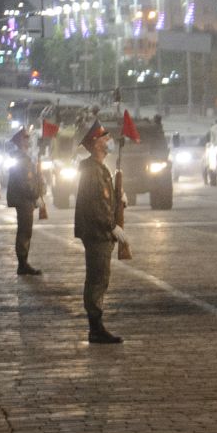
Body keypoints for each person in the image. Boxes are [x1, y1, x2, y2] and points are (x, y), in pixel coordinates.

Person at [72, 123, 126, 344]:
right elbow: (96, 205)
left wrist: (118, 196)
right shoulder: (93, 170)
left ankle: (96, 326)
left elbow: (104, 199)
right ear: (95, 144)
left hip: (98, 232)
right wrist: (112, 226)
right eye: (104, 137)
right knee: (97, 280)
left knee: (99, 279)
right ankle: (95, 328)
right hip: (97, 233)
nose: (108, 140)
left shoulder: (98, 168)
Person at [4, 127, 44, 276]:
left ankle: (23, 262)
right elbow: (26, 183)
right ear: (21, 141)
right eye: (26, 138)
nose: (29, 140)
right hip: (24, 200)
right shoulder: (22, 159)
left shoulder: (22, 157)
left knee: (25, 231)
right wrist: (36, 196)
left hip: (24, 199)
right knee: (25, 231)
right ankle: (22, 264)